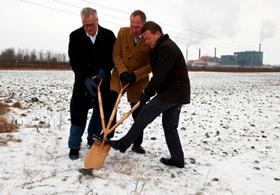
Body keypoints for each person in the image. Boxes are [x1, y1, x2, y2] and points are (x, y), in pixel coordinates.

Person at [108, 21, 191, 168]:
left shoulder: (166, 48)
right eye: (144, 39)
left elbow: (160, 76)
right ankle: (178, 159)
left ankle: (123, 143)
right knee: (170, 126)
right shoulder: (162, 46)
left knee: (146, 112)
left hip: (172, 93)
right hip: (177, 93)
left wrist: (147, 93)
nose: (146, 42)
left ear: (158, 33)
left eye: (148, 38)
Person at [68, 7, 116, 160]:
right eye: (85, 25)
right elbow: (74, 62)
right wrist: (85, 78)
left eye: (91, 25)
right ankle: (74, 145)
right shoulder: (75, 36)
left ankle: (92, 140)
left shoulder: (108, 35)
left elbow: (113, 58)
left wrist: (105, 69)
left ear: (97, 21)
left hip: (103, 81)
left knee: (99, 112)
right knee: (78, 111)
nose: (88, 28)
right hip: (83, 82)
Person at [110, 10, 151, 154]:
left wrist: (135, 75)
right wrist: (122, 72)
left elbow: (151, 64)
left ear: (144, 25)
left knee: (138, 113)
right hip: (119, 76)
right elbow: (116, 54)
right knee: (111, 103)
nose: (133, 29)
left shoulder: (149, 38)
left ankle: (137, 143)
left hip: (138, 80)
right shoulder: (122, 32)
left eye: (137, 27)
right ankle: (107, 136)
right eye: (132, 25)